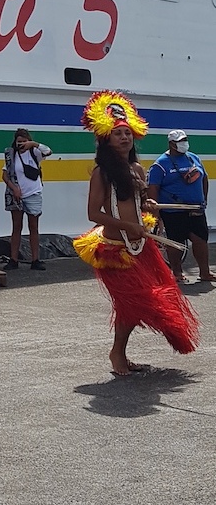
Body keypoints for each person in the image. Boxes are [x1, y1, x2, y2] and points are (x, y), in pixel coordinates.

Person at [73, 90, 199, 375]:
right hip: (114, 250)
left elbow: (140, 206)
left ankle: (119, 353)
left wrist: (148, 207)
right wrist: (128, 226)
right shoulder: (101, 173)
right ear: (106, 139)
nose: (124, 138)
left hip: (141, 247)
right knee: (131, 301)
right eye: (117, 133)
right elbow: (94, 214)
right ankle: (117, 354)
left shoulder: (137, 169)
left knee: (137, 302)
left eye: (127, 133)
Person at [147, 129, 216, 283]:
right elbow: (153, 188)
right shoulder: (160, 164)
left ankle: (204, 272)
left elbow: (204, 178)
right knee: (175, 243)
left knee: (200, 240)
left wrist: (203, 199)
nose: (184, 143)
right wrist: (156, 213)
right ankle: (177, 273)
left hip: (196, 209)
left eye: (185, 140)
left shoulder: (193, 158)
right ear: (171, 144)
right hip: (173, 211)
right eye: (180, 141)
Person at [1, 128, 52, 270]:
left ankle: (35, 260)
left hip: (33, 193)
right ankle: (13, 260)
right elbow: (4, 175)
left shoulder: (35, 153)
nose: (22, 144)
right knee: (16, 226)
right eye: (19, 142)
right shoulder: (12, 155)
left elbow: (48, 151)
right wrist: (14, 188)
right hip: (17, 195)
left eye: (24, 141)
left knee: (33, 226)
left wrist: (34, 144)